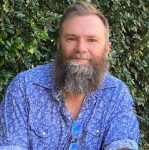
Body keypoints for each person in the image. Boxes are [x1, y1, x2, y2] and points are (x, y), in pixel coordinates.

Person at [0, 1, 139, 150]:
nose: (80, 48)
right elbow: (12, 145)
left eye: (92, 40)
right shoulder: (25, 87)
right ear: (59, 44)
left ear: (107, 49)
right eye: (72, 39)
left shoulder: (116, 93)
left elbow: (122, 143)